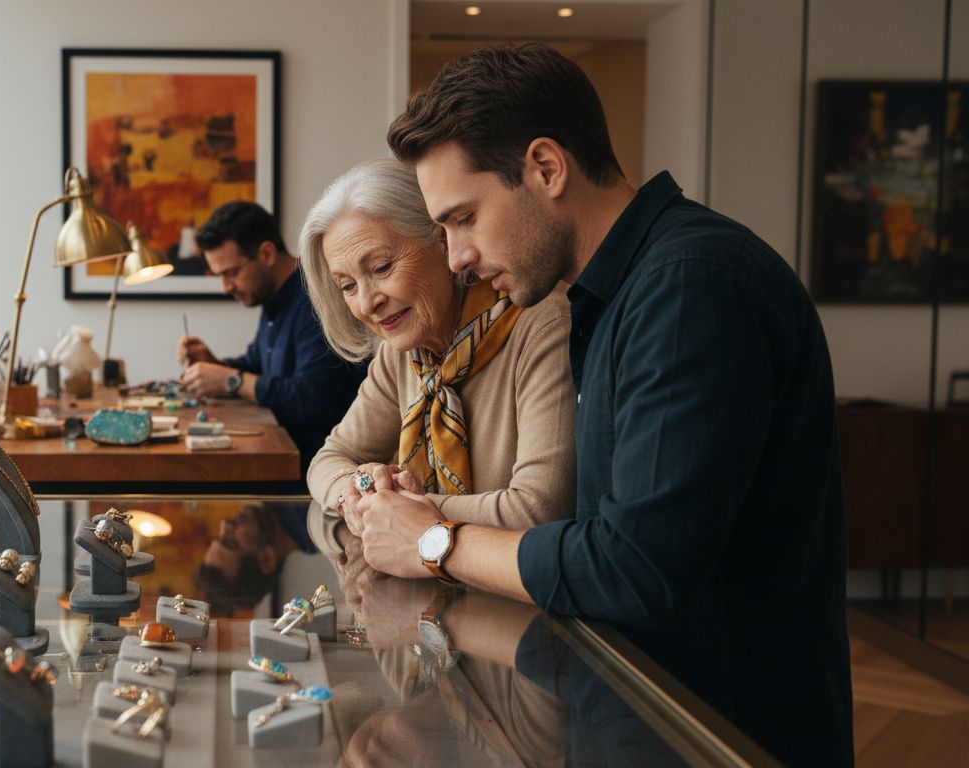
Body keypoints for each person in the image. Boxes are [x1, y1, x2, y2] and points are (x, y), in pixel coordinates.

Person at [357, 43, 853, 766]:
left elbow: (635, 568)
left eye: (464, 217)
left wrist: (433, 541)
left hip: (721, 734)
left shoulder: (690, 286)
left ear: (547, 168)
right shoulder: (614, 294)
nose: (456, 255)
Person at [299, 158, 576, 561]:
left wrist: (399, 512)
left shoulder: (541, 323)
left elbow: (536, 511)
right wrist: (356, 489)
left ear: (442, 240)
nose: (366, 302)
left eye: (381, 267)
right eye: (347, 285)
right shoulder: (403, 351)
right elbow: (328, 460)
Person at [177, 201, 366, 470]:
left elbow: (309, 400)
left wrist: (230, 380)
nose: (225, 287)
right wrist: (213, 364)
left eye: (231, 273)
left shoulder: (315, 300)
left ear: (266, 254)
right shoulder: (273, 298)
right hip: (284, 456)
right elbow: (258, 365)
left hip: (317, 470)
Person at [194, 503, 316, 616]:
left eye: (219, 536)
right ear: (266, 560)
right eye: (231, 542)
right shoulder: (314, 520)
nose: (224, 524)